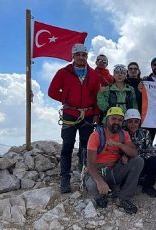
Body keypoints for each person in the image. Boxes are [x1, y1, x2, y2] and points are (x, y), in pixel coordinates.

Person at [48, 43, 101, 193]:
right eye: (77, 54)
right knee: (67, 146)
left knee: (86, 146)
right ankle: (65, 179)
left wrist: (96, 114)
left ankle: (84, 175)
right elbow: (52, 91)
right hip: (70, 114)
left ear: (86, 56)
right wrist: (66, 99)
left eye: (83, 55)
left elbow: (96, 96)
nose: (80, 57)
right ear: (73, 56)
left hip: (88, 115)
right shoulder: (63, 72)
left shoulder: (93, 75)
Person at [84, 107, 143, 214]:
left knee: (138, 161)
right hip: (98, 170)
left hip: (114, 169)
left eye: (120, 120)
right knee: (94, 186)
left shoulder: (124, 134)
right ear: (107, 120)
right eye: (113, 119)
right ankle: (104, 193)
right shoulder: (96, 135)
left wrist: (119, 144)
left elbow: (134, 153)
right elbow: (90, 165)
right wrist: (100, 182)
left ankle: (123, 198)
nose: (117, 122)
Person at [124, 109, 156, 197]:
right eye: (130, 122)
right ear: (125, 122)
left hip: (141, 160)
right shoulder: (121, 133)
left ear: (139, 122)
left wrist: (139, 156)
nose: (133, 125)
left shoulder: (145, 132)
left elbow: (150, 150)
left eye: (136, 122)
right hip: (127, 164)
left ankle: (147, 185)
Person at [141, 57, 156, 143]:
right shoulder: (145, 81)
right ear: (151, 66)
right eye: (155, 64)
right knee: (148, 142)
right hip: (150, 116)